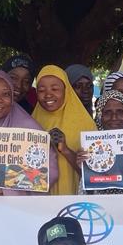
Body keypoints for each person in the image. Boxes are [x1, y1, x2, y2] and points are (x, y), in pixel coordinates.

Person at [0, 71, 57, 196]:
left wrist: (6, 189)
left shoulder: (31, 129)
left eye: (5, 94)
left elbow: (50, 173)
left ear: (12, 98)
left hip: (21, 209)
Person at [33, 64, 96, 196]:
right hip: (40, 203)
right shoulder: (30, 123)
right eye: (41, 90)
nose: (48, 95)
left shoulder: (85, 124)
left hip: (74, 202)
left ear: (66, 90)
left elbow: (94, 175)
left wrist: (65, 150)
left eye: (55, 89)